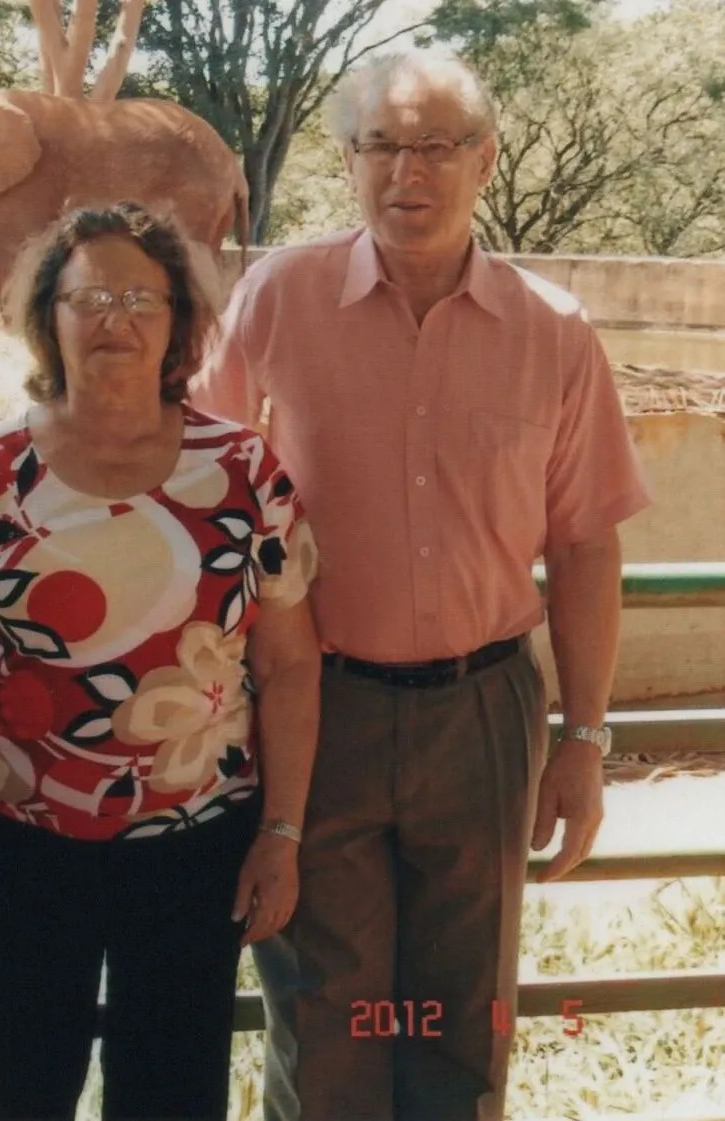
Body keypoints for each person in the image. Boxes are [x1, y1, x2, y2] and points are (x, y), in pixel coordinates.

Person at [191, 50, 653, 1121]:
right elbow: (200, 478)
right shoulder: (278, 295)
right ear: (347, 161)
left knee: (460, 1021)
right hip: (318, 708)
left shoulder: (553, 331)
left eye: (434, 144)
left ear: (482, 159)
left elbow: (583, 547)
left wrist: (582, 741)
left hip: (483, 712)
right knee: (324, 1019)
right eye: (380, 145)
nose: (406, 169)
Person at [0, 203, 323, 1121]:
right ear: (47, 316)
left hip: (196, 848)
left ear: (179, 321)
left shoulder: (244, 472)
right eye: (87, 295)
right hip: (19, 851)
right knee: (21, 1094)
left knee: (172, 1100)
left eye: (142, 296)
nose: (115, 318)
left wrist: (280, 836)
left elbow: (290, 666)